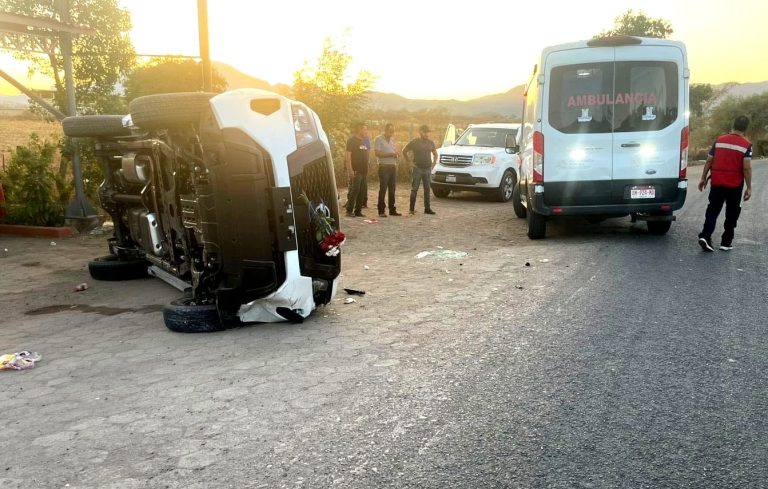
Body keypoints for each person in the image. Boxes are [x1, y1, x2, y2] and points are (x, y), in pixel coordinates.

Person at [697, 115, 753, 252]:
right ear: (746, 128)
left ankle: (705, 236)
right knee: (732, 213)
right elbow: (746, 168)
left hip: (717, 183)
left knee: (713, 210)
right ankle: (726, 242)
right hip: (735, 186)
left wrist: (703, 178)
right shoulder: (747, 145)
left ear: (733, 124)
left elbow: (709, 161)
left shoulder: (719, 140)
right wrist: (749, 187)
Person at [403, 125, 438, 215]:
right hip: (417, 168)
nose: (427, 134)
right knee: (414, 189)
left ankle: (427, 209)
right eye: (425, 132)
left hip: (427, 169)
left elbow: (435, 153)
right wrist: (409, 162)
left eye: (428, 132)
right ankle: (411, 209)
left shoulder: (430, 142)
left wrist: (434, 163)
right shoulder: (414, 142)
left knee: (427, 189)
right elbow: (404, 151)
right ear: (420, 132)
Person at [374, 123, 401, 217]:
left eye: (393, 131)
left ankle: (392, 210)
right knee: (383, 189)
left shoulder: (393, 140)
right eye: (390, 131)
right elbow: (377, 153)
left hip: (393, 166)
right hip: (384, 167)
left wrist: (397, 154)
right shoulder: (378, 139)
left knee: (392, 190)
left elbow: (394, 152)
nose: (392, 133)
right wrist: (390, 154)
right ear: (385, 130)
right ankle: (381, 211)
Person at [345, 122, 370, 217]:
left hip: (364, 171)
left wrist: (367, 167)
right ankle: (349, 210)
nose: (366, 131)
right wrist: (350, 170)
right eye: (364, 129)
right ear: (359, 129)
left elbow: (365, 155)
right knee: (355, 190)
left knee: (362, 191)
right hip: (356, 170)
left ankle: (358, 211)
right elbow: (348, 156)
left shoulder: (363, 141)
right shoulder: (351, 141)